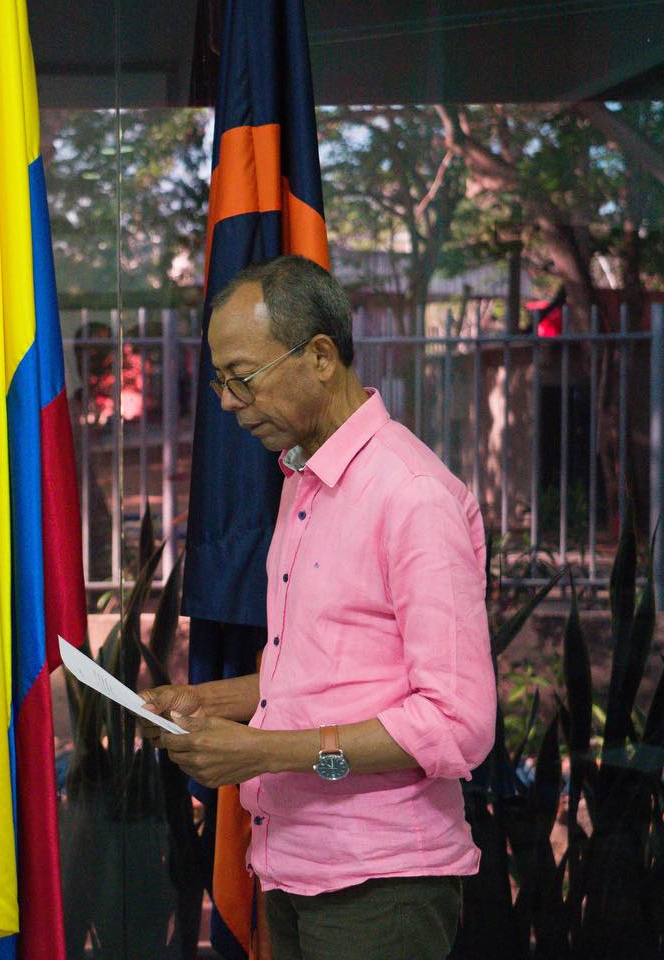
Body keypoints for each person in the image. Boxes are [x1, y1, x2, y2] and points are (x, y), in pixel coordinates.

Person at [141, 255, 496, 960]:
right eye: (218, 380)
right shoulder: (304, 483)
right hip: (295, 868)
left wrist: (263, 751)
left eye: (241, 377)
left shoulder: (412, 495)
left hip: (382, 883)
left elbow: (456, 725)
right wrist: (208, 701)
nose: (227, 401)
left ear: (322, 357)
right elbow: (322, 674)